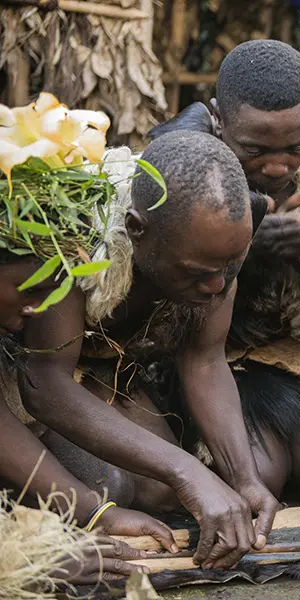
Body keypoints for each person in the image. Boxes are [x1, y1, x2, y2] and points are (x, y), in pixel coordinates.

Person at [20, 130, 280, 571]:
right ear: (137, 230)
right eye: (199, 272)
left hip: (109, 375)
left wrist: (244, 478)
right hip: (38, 380)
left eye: (229, 268)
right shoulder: (79, 233)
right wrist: (188, 470)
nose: (217, 286)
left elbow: (204, 360)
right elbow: (43, 383)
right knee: (112, 487)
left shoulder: (217, 251)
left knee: (167, 493)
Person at [150, 39, 300, 501]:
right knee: (259, 477)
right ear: (220, 120)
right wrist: (244, 247)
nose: (278, 165)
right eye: (255, 149)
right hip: (205, 354)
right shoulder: (181, 157)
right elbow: (164, 291)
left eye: (296, 145)